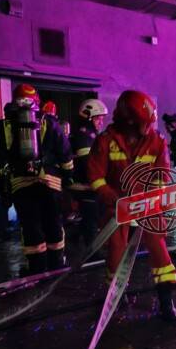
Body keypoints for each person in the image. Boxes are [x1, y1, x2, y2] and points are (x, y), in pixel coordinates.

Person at [88, 90, 176, 321]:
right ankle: (116, 296)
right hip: (117, 206)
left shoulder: (156, 140)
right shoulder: (106, 141)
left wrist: (152, 195)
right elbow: (96, 176)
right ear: (128, 121)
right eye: (143, 123)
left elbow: (162, 174)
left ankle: (166, 301)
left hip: (147, 204)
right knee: (116, 253)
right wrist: (112, 197)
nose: (147, 128)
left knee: (159, 250)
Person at [0, 84, 73, 274]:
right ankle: (57, 264)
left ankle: (36, 268)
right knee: (53, 223)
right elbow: (65, 154)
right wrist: (67, 178)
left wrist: (2, 187)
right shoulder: (48, 122)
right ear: (37, 101)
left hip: (21, 184)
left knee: (30, 226)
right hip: (50, 182)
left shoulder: (3, 127)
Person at [69, 99, 109, 247]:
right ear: (88, 117)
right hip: (84, 185)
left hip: (86, 184)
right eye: (98, 118)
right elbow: (87, 163)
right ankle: (92, 252)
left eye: (102, 119)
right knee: (91, 218)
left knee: (90, 217)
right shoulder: (84, 135)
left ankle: (76, 237)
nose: (101, 122)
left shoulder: (88, 134)